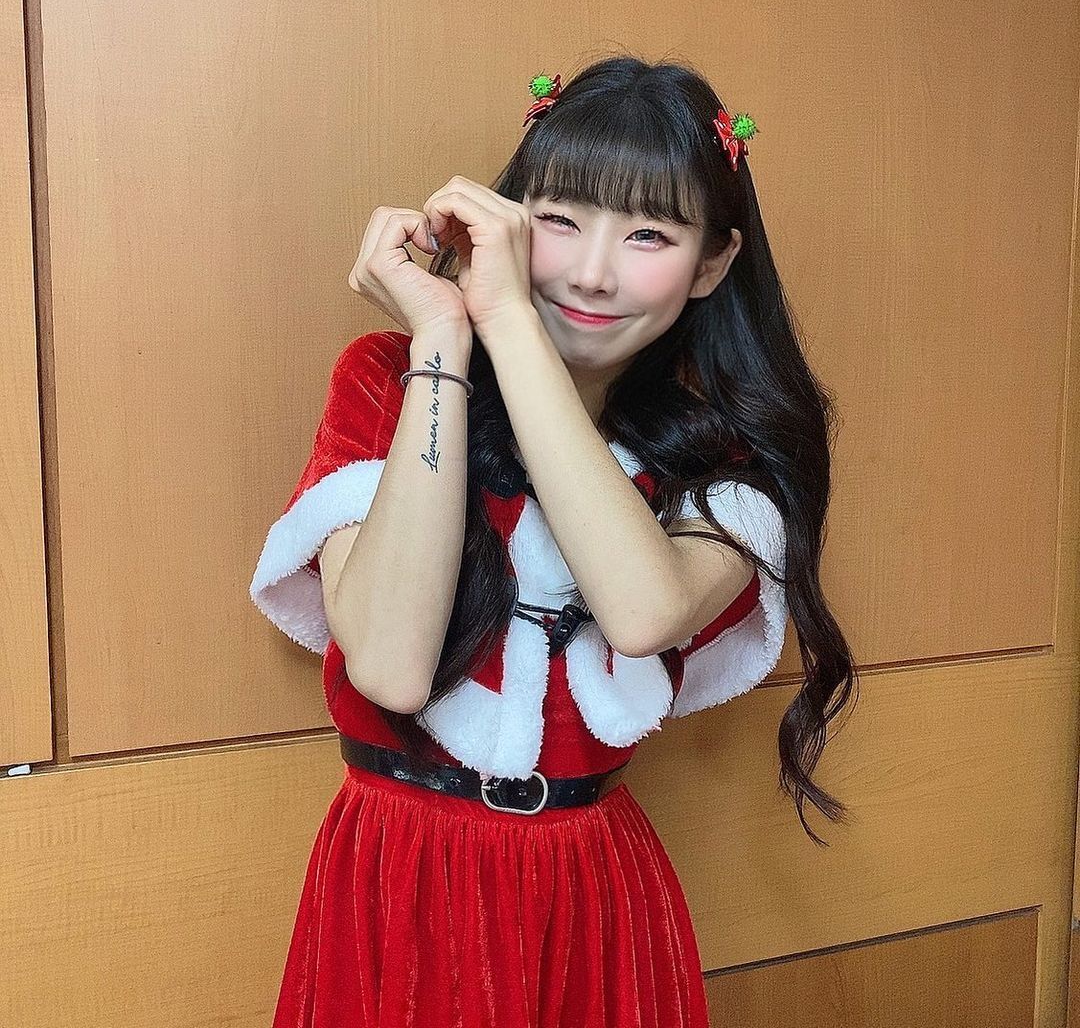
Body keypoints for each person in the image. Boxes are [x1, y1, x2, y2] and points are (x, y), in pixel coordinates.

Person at [250, 54, 857, 1028]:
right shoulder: (385, 381)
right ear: (507, 222)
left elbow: (644, 609)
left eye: (649, 233)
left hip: (591, 902)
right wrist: (443, 340)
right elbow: (392, 669)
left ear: (712, 263)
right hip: (395, 884)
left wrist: (505, 319)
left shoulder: (732, 462)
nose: (591, 272)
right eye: (562, 219)